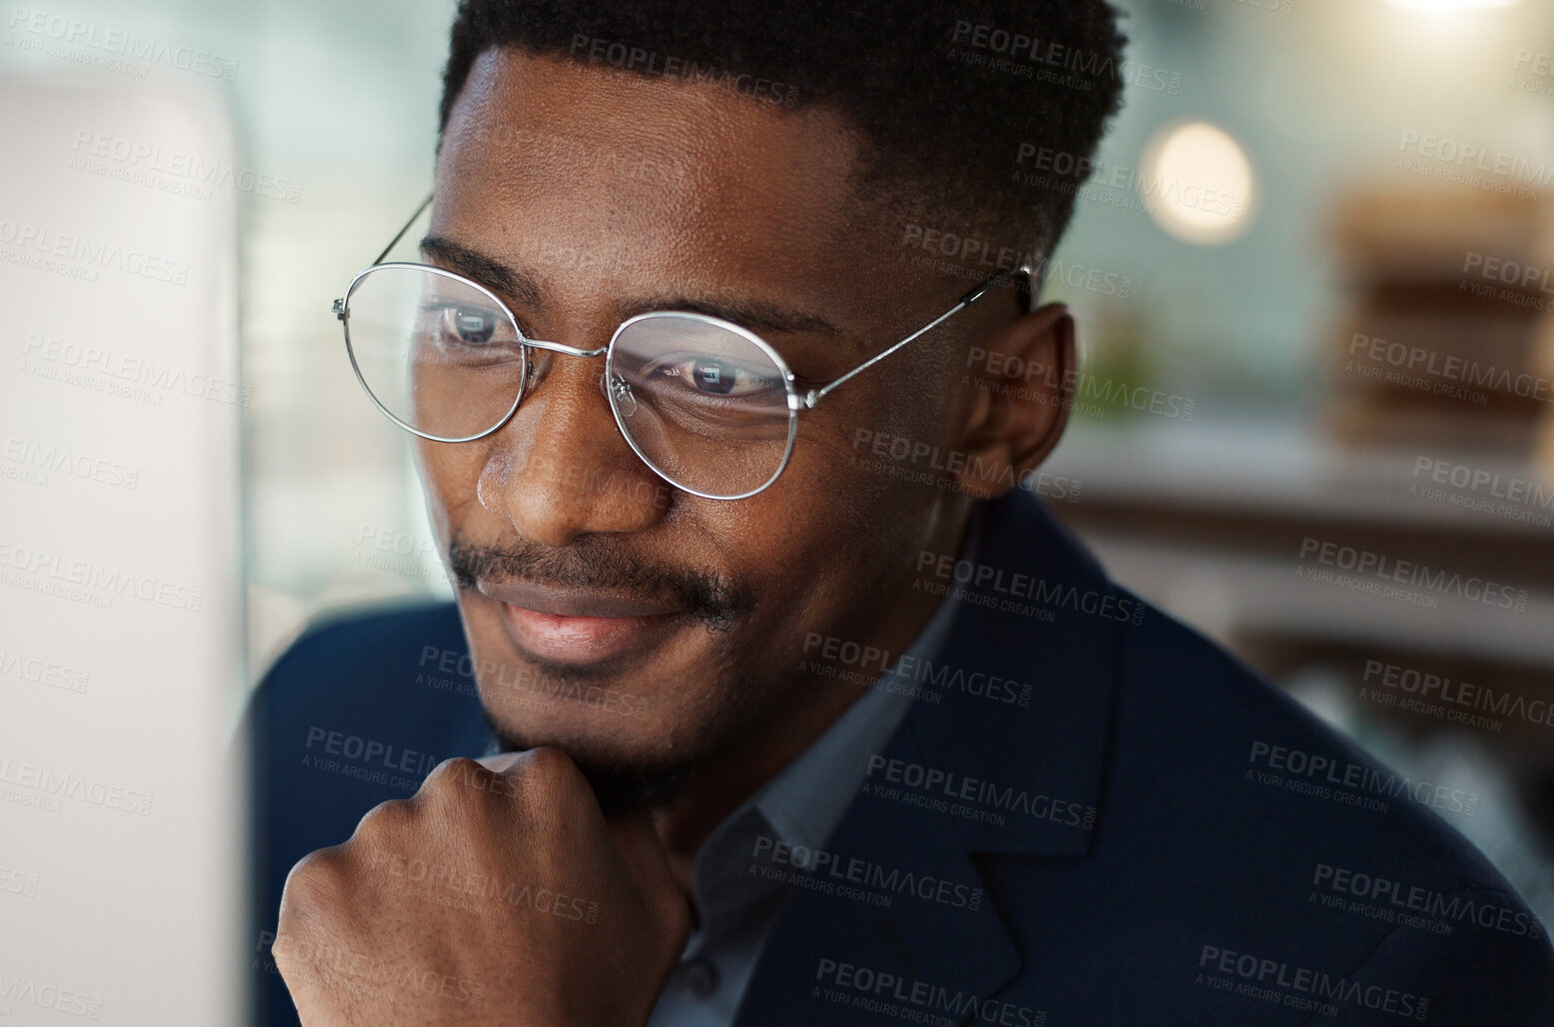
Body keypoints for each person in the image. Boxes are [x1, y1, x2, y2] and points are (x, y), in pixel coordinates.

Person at [244, 1, 1554, 1023]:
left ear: (1001, 408)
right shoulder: (317, 728)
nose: (541, 489)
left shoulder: (1365, 974)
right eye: (476, 324)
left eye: (710, 375)